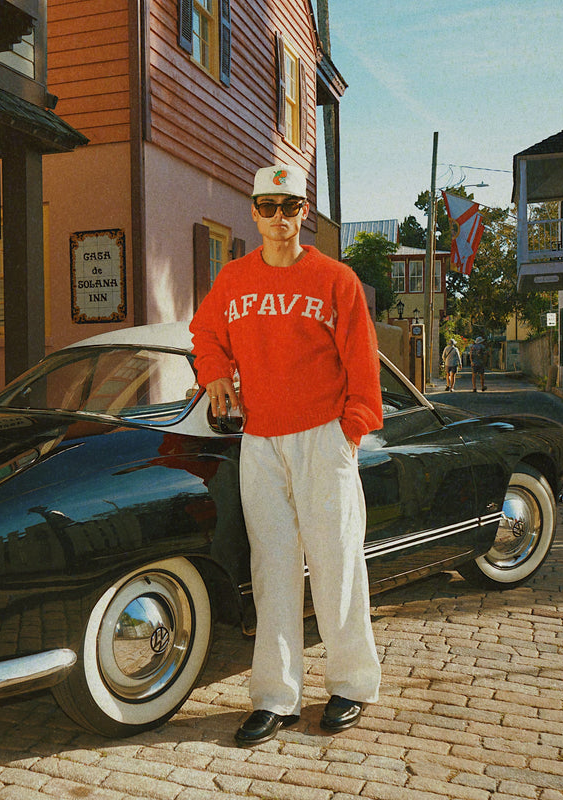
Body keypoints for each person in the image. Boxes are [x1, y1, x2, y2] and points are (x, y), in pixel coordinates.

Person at [189, 164, 384, 747]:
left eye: (290, 207)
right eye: (268, 207)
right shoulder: (233, 279)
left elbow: (363, 365)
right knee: (271, 569)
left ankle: (351, 684)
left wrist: (350, 430)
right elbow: (205, 334)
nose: (279, 218)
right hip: (261, 440)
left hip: (323, 435)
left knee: (336, 563)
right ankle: (276, 697)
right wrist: (217, 374)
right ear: (253, 211)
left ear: (305, 215)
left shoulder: (336, 279)